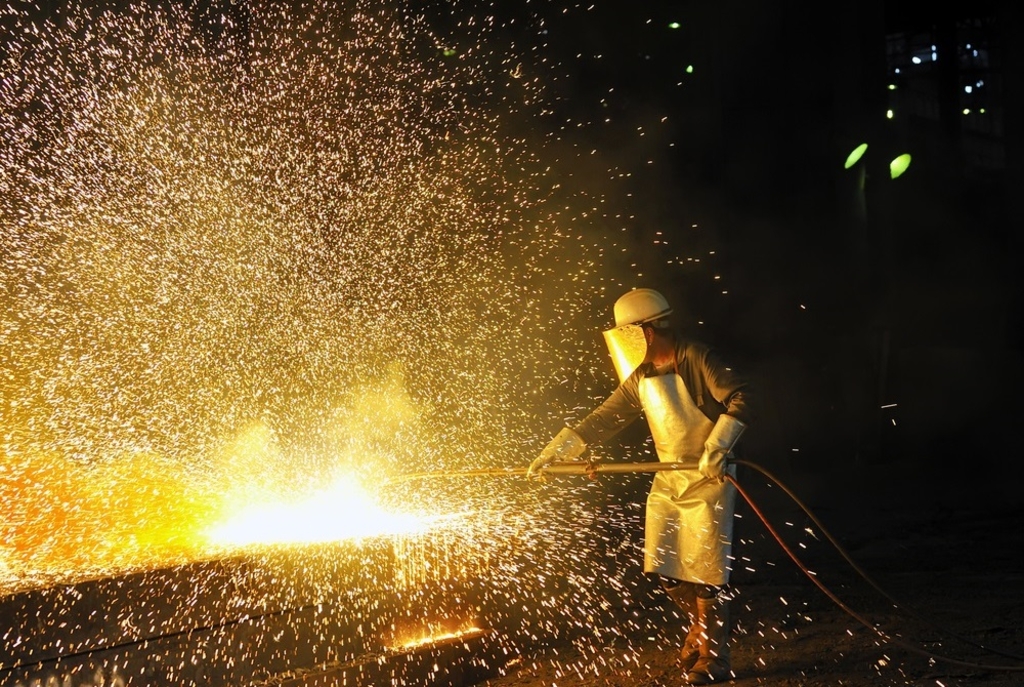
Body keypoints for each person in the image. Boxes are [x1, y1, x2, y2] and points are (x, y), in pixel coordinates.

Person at [528, 287, 753, 685]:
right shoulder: (642, 376)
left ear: (645, 331)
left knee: (705, 574)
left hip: (709, 478)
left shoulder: (696, 358)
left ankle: (714, 659)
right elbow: (604, 419)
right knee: (667, 568)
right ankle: (699, 631)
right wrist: (556, 451)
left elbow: (742, 397)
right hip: (668, 477)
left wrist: (719, 447)